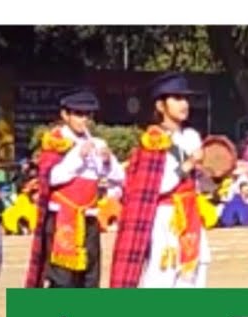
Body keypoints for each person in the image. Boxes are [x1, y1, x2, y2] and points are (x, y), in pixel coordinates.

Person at [110, 72, 211, 289]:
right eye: (177, 98)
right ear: (160, 105)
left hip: (191, 213)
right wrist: (187, 165)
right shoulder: (153, 140)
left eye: (186, 98)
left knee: (194, 271)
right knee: (162, 273)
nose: (184, 104)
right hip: (165, 216)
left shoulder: (191, 136)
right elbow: (156, 186)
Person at [25, 89, 123, 289]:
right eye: (78, 114)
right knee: (63, 279)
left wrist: (107, 162)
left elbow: (119, 177)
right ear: (65, 115)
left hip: (89, 217)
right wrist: (78, 156)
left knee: (90, 277)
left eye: (87, 114)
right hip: (62, 218)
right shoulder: (55, 141)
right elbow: (50, 179)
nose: (83, 119)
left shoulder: (97, 143)